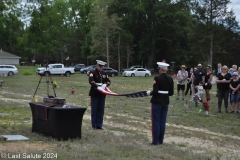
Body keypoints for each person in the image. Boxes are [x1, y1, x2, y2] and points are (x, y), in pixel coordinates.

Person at [147, 62, 174, 145]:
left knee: (156, 121)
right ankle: (160, 140)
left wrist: (150, 93)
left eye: (159, 69)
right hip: (165, 102)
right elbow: (171, 93)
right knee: (162, 121)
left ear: (161, 69)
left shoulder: (157, 78)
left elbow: (155, 92)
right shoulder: (170, 79)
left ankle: (155, 141)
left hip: (157, 101)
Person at [89, 60, 111, 129]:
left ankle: (99, 125)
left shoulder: (104, 73)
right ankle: (94, 125)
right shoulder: (92, 72)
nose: (101, 68)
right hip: (95, 94)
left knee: (101, 110)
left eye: (102, 66)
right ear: (97, 66)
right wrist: (97, 86)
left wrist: (107, 84)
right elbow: (91, 81)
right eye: (100, 66)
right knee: (94, 110)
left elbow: (108, 81)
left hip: (102, 95)